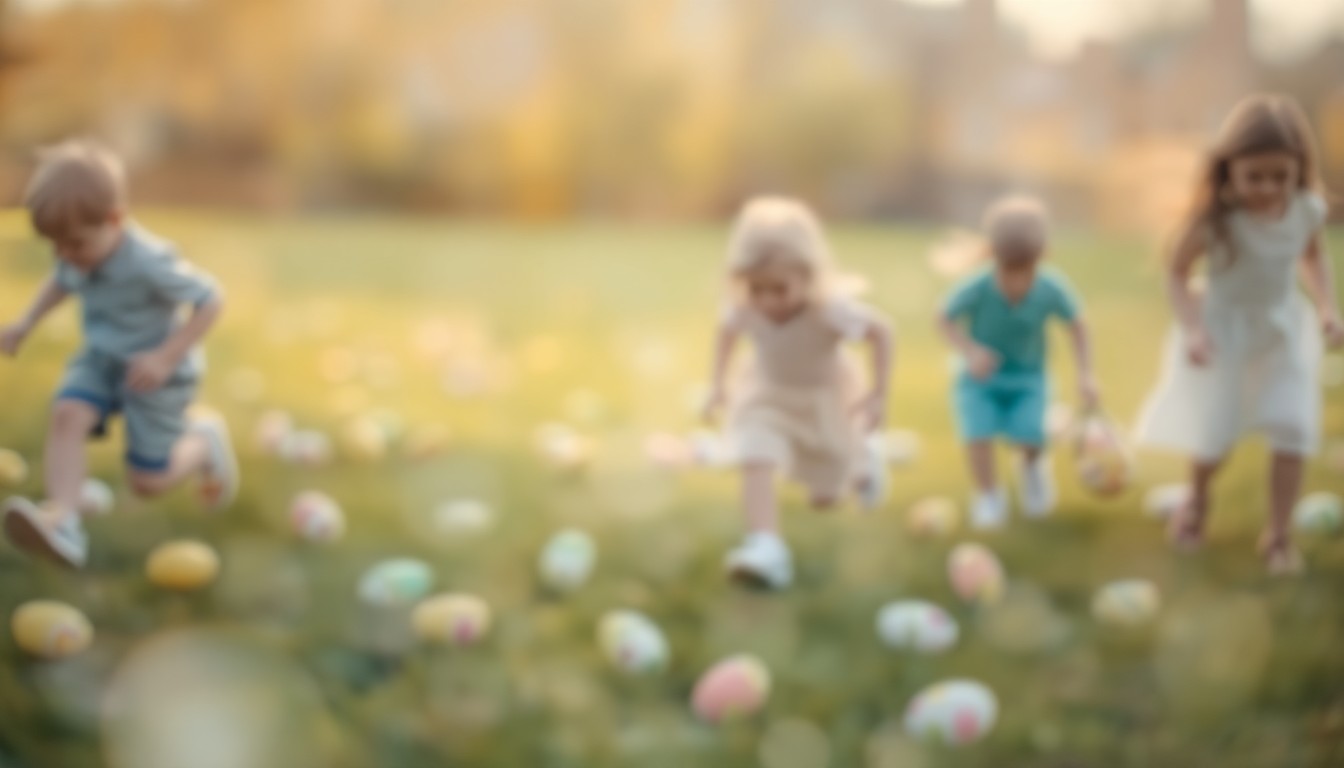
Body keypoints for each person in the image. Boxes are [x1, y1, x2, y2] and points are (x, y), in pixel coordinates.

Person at [0, 141, 238, 569]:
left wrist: (166, 357)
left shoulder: (148, 261)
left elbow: (211, 299)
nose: (64, 256)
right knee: (67, 413)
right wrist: (25, 322)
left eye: (73, 244)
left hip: (155, 372)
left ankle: (203, 443)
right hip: (101, 359)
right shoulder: (76, 252)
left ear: (114, 219)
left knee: (147, 481)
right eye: (55, 245)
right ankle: (64, 521)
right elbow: (60, 281)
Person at [1135, 94, 1342, 575]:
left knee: (1293, 428)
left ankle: (1278, 537)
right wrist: (1194, 329)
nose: (1268, 188)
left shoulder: (1306, 210)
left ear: (1299, 169)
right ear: (1229, 170)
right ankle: (1197, 502)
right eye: (1255, 176)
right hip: (1223, 332)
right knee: (1216, 436)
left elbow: (1314, 258)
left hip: (1281, 331)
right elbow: (1176, 273)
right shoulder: (1217, 221)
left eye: (1281, 176)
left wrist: (1328, 309)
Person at [703, 197, 894, 590]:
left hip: (823, 403)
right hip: (767, 396)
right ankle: (767, 549)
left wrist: (878, 393)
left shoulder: (829, 309)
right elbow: (726, 333)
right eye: (756, 288)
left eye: (779, 289)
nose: (767, 300)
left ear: (808, 275)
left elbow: (882, 332)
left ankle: (865, 464)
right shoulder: (746, 306)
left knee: (826, 497)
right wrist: (717, 385)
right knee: (754, 454)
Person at [938, 195, 1098, 529]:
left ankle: (1033, 472)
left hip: (1029, 379)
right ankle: (988, 496)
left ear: (1042, 256)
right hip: (979, 380)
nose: (1016, 281)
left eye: (1025, 271)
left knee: (1030, 437)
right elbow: (943, 318)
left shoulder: (1050, 288)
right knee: (977, 435)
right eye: (1008, 271)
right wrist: (970, 351)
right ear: (991, 254)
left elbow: (1077, 326)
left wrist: (1086, 375)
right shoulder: (979, 287)